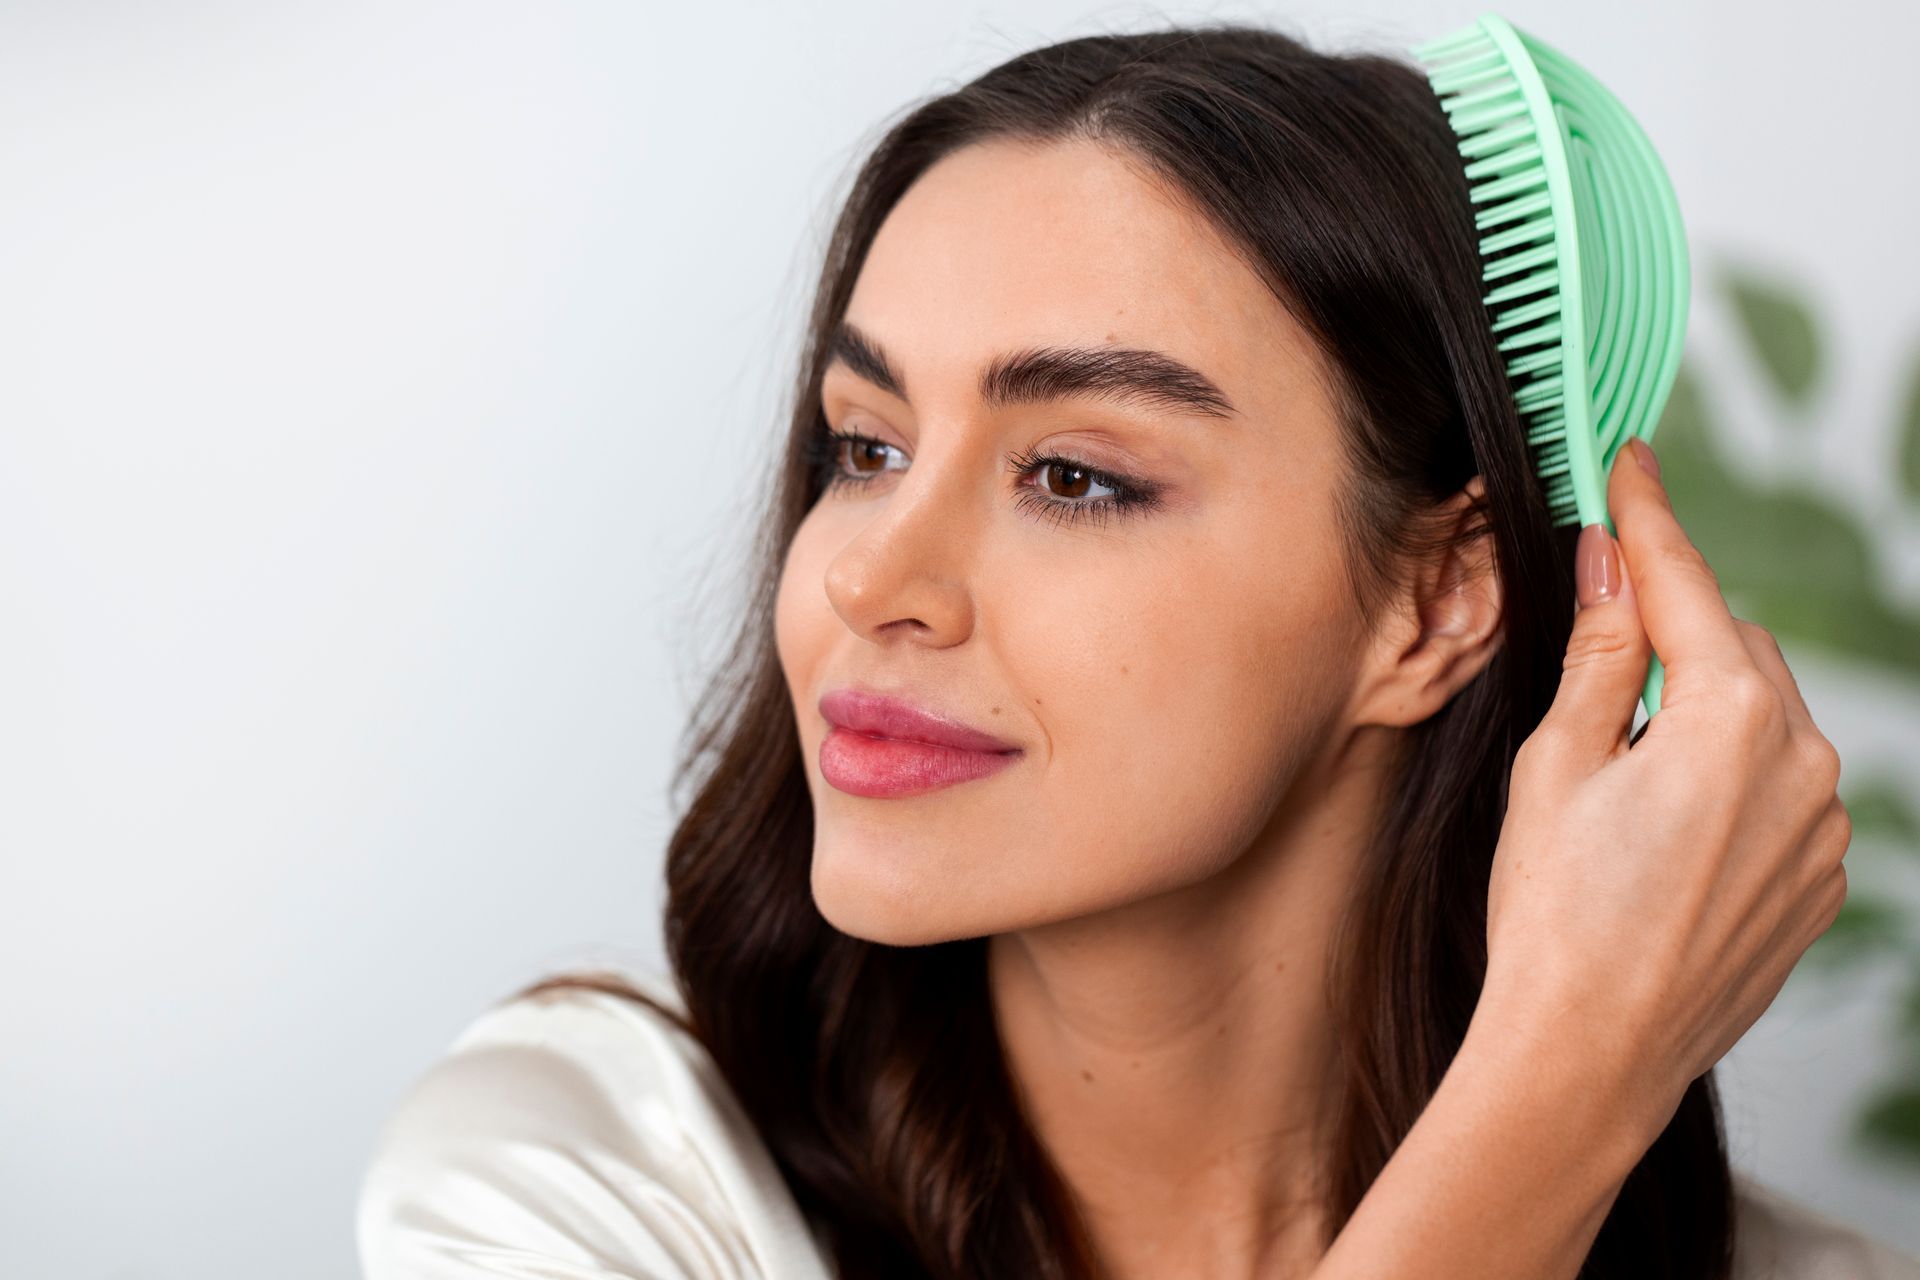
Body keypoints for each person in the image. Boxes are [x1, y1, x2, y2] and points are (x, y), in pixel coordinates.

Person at [356, 22, 1920, 1279]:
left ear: (1437, 604)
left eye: (1076, 476)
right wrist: (1561, 1094)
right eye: (864, 447)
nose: (870, 582)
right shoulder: (585, 1192)